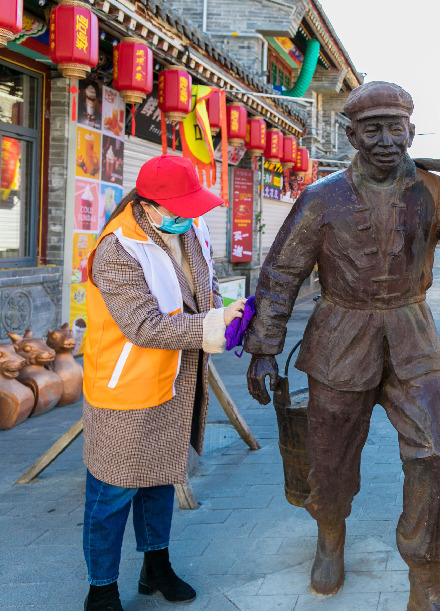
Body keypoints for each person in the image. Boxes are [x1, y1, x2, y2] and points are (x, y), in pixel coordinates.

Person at [243, 81, 440, 611]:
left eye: (397, 128)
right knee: (329, 457)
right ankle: (330, 537)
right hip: (339, 338)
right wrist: (264, 347)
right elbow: (281, 274)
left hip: (412, 337)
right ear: (351, 136)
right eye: (373, 130)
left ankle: (425, 577)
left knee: (439, 450)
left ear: (412, 131)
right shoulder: (321, 198)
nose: (387, 140)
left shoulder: (435, 191)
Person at [81, 155, 245, 611]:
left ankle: (156, 567)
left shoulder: (190, 229)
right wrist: (212, 326)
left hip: (177, 380)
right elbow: (144, 326)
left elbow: (206, 289)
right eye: (178, 209)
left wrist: (226, 316)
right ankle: (102, 588)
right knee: (112, 491)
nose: (188, 217)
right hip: (126, 387)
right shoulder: (117, 249)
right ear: (149, 205)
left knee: (160, 478)